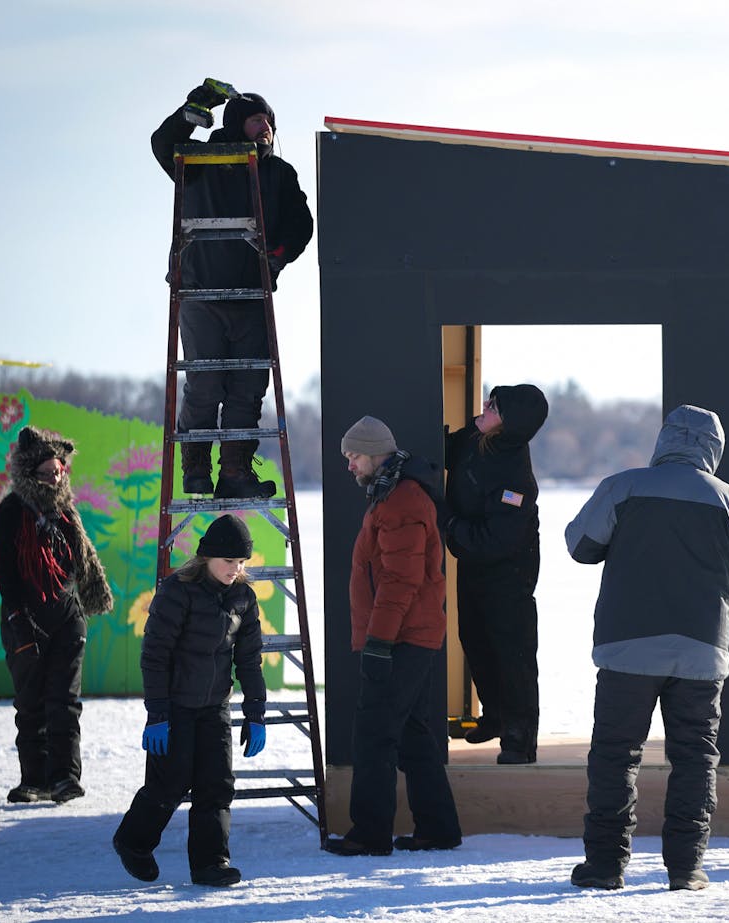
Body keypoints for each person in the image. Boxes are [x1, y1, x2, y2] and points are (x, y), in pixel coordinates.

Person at [564, 404, 729, 891]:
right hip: (701, 650)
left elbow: (580, 546)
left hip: (626, 647)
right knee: (696, 758)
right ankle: (686, 867)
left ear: (663, 442)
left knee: (616, 755)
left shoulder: (621, 487)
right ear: (714, 450)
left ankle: (605, 866)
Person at [151, 81, 314, 500]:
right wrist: (192, 110)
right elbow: (163, 144)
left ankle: (236, 472)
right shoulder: (202, 160)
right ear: (237, 124)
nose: (266, 129)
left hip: (251, 295)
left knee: (247, 386)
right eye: (257, 120)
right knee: (206, 384)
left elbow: (301, 223)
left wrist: (275, 256)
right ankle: (196, 467)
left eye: (270, 122)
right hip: (201, 291)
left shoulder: (278, 173)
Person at [323, 416, 463, 856]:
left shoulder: (401, 501)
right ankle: (437, 829)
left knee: (374, 734)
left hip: (401, 638)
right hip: (412, 636)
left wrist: (378, 642)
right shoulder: (392, 494)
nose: (349, 466)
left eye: (354, 456)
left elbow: (400, 582)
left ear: (375, 453)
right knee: (416, 735)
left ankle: (369, 833)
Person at [112, 514, 266, 887]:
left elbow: (249, 659)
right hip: (177, 706)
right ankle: (133, 842)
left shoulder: (243, 597)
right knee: (170, 784)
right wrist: (158, 713)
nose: (236, 569)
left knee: (217, 785)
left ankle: (211, 862)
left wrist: (255, 713)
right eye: (229, 561)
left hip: (215, 706)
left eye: (241, 562)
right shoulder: (177, 591)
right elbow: (156, 654)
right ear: (208, 557)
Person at [0, 426, 113, 804]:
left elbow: (82, 562)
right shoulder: (10, 514)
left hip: (66, 616)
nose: (55, 479)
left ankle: (64, 778)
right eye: (46, 473)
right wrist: (19, 622)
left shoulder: (65, 514)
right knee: (31, 705)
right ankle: (35, 780)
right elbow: (5, 575)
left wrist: (86, 597)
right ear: (29, 474)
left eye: (59, 472)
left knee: (65, 701)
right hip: (24, 618)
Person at [443, 384, 549, 764]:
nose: (485, 407)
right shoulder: (476, 437)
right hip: (474, 561)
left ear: (511, 424)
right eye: (490, 400)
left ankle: (520, 740)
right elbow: (446, 449)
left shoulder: (514, 477)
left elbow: (494, 540)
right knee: (474, 638)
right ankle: (496, 716)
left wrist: (449, 524)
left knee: (513, 651)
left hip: (508, 571)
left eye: (495, 407)